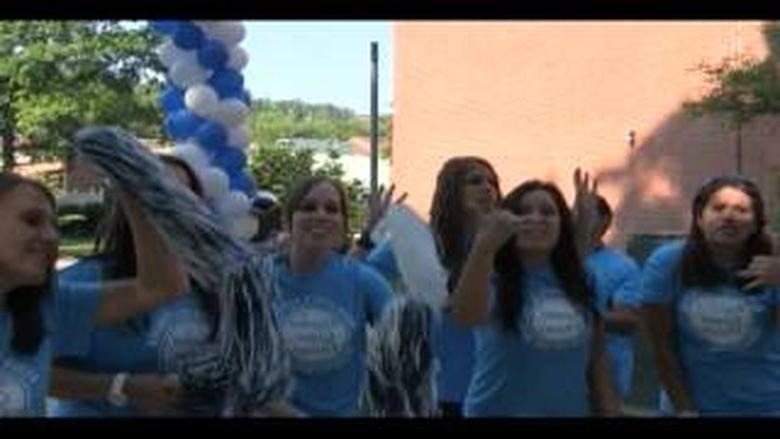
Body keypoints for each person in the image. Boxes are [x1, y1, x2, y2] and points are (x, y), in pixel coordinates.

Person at [0, 171, 188, 416]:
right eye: (32, 220)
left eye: (54, 225)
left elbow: (161, 287)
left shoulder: (47, 307)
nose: (51, 236)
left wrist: (138, 202)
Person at [46, 154, 215, 417]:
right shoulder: (80, 282)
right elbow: (41, 373)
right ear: (130, 206)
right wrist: (121, 386)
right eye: (158, 192)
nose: (171, 205)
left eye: (184, 195)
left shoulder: (216, 287)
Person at [449, 180, 621, 417]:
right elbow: (465, 316)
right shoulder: (490, 275)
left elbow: (597, 354)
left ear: (562, 225)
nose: (536, 218)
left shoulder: (584, 279)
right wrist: (485, 244)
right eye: (522, 212)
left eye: (548, 212)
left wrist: (610, 409)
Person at [362, 157, 499, 417]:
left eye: (492, 182)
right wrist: (370, 232)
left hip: (491, 389)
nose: (487, 188)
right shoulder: (419, 243)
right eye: (475, 181)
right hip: (434, 390)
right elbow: (360, 279)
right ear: (451, 189)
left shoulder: (502, 247)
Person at [641, 176, 780, 416]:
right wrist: (685, 408)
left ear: (757, 223)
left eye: (742, 210)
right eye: (718, 208)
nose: (729, 217)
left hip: (765, 404)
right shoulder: (668, 263)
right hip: (693, 406)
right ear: (699, 218)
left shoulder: (772, 266)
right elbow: (662, 347)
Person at [271, 176, 393, 416]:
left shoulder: (364, 281)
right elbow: (241, 371)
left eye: (332, 209)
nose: (321, 215)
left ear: (343, 224)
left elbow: (406, 346)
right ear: (287, 220)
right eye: (308, 207)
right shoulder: (257, 281)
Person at [584, 195, 642, 400]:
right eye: (575, 213)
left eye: (588, 213)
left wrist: (578, 317)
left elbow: (628, 320)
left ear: (606, 221)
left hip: (609, 375)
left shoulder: (623, 266)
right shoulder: (552, 264)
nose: (580, 219)